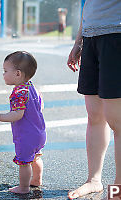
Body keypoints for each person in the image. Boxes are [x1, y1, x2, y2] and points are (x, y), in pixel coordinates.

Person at [67, 0, 121, 199]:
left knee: (118, 121)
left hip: (116, 37)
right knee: (95, 116)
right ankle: (94, 180)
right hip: (91, 38)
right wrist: (78, 42)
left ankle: (118, 189)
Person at [0, 51, 46, 194]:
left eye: (5, 71)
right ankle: (37, 180)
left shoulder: (19, 92)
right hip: (39, 133)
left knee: (24, 163)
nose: (3, 74)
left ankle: (24, 188)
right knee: (36, 157)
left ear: (18, 74)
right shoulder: (31, 87)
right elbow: (41, 105)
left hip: (26, 136)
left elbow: (17, 114)